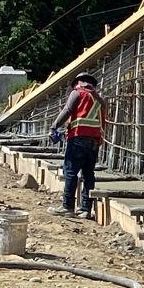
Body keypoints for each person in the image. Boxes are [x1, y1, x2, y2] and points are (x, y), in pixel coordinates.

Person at [49, 72, 106, 219]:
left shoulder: (78, 92)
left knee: (70, 171)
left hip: (78, 138)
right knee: (88, 175)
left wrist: (54, 127)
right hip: (94, 142)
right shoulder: (99, 100)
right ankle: (86, 209)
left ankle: (67, 207)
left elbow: (68, 110)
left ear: (78, 82)